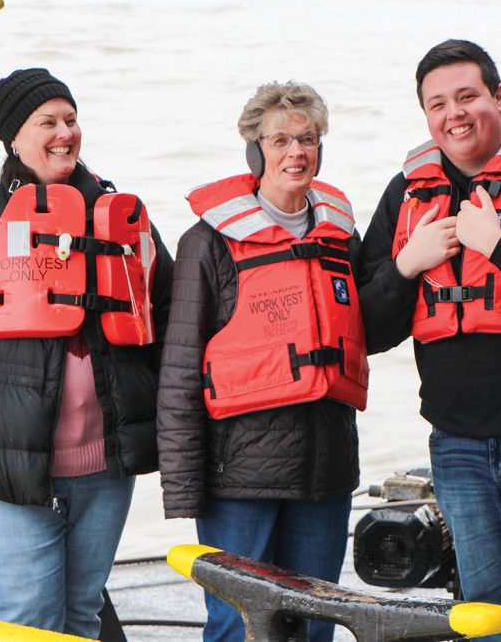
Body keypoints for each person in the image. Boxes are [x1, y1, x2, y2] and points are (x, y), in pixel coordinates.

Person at [0, 68, 173, 639]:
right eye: (47, 122)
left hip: (104, 467)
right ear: (14, 137)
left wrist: (156, 417)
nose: (64, 132)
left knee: (80, 618)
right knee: (21, 625)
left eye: (71, 119)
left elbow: (166, 317)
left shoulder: (121, 220)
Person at [357, 40, 501, 641]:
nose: (454, 115)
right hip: (456, 443)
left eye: (467, 96)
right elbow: (368, 331)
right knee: (489, 620)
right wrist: (407, 265)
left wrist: (498, 248)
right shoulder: (407, 192)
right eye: (438, 104)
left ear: (499, 96)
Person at [156, 81, 369, 642]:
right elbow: (179, 370)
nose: (296, 152)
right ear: (255, 151)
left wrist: (407, 267)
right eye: (280, 140)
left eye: (308, 139)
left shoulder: (340, 234)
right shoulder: (208, 243)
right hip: (238, 481)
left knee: (318, 619)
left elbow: (367, 329)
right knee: (236, 623)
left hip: (325, 471)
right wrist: (183, 489)